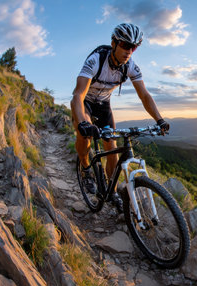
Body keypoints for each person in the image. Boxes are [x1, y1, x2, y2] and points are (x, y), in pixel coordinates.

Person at [70, 23, 169, 212]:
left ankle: (112, 190)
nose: (129, 51)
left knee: (113, 149)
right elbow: (78, 95)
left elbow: (145, 96)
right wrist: (83, 122)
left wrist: (159, 119)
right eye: (125, 45)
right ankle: (85, 168)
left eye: (134, 47)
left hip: (104, 106)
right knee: (85, 136)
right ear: (114, 43)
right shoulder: (95, 60)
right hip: (86, 104)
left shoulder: (130, 66)